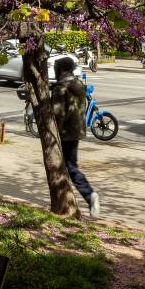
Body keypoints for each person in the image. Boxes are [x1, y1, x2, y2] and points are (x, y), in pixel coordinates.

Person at [50, 56, 100, 216]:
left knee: (69, 167)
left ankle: (89, 194)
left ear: (62, 70)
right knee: (69, 165)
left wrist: (53, 135)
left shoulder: (61, 88)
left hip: (65, 134)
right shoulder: (78, 84)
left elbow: (58, 113)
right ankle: (75, 197)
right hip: (77, 131)